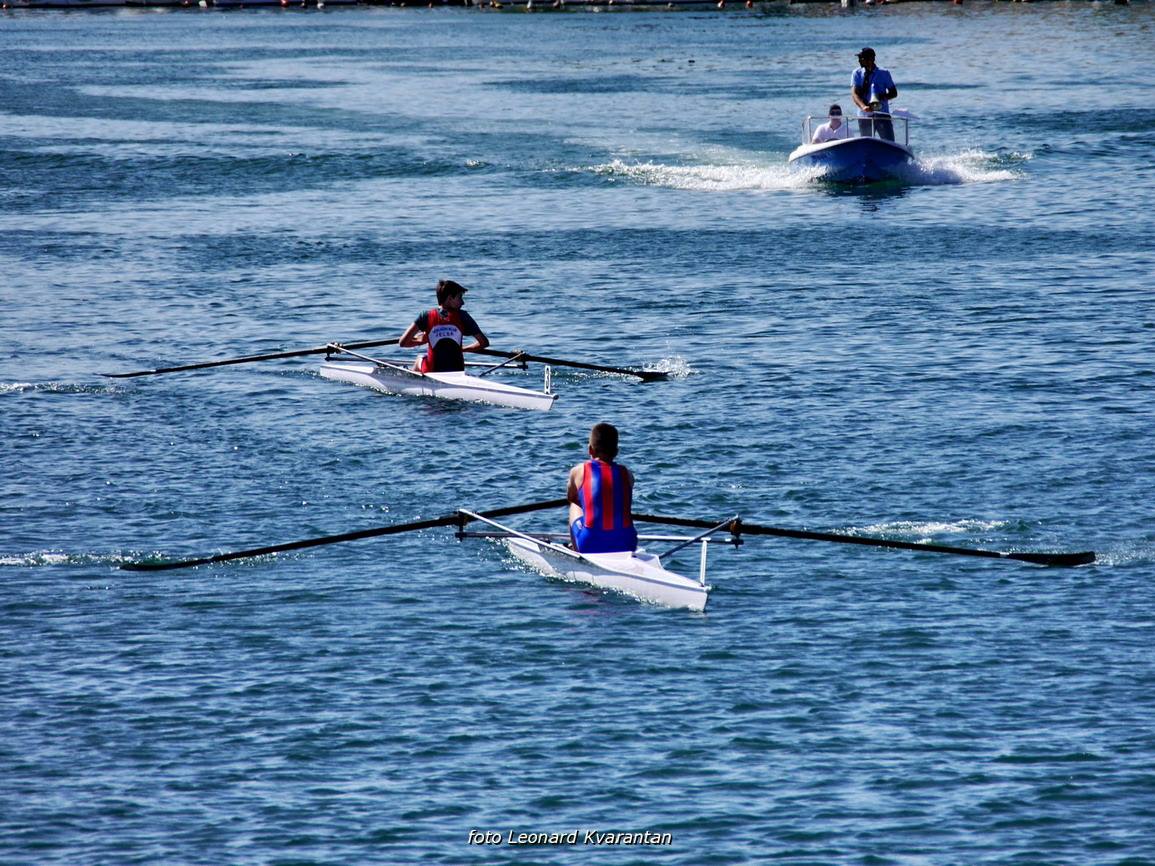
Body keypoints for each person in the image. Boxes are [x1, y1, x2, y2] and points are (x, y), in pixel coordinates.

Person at [567, 422, 638, 554]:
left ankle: (576, 551)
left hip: (590, 544)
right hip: (627, 543)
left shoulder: (578, 471)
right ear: (616, 452)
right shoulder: (627, 474)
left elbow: (572, 498)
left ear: (590, 449)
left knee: (573, 505)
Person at [399, 279, 490, 373]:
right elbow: (484, 343)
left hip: (432, 371)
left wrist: (422, 340)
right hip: (457, 370)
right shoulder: (463, 316)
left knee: (419, 358)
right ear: (450, 298)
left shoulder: (425, 316)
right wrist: (463, 349)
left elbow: (403, 342)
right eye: (460, 298)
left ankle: (414, 382)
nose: (463, 302)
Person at [851, 47, 898, 142]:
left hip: (882, 114)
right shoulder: (856, 73)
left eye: (862, 58)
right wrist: (863, 106)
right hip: (864, 115)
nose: (859, 60)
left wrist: (880, 97)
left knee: (889, 143)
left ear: (871, 59)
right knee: (867, 143)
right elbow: (854, 94)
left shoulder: (884, 73)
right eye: (859, 58)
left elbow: (894, 93)